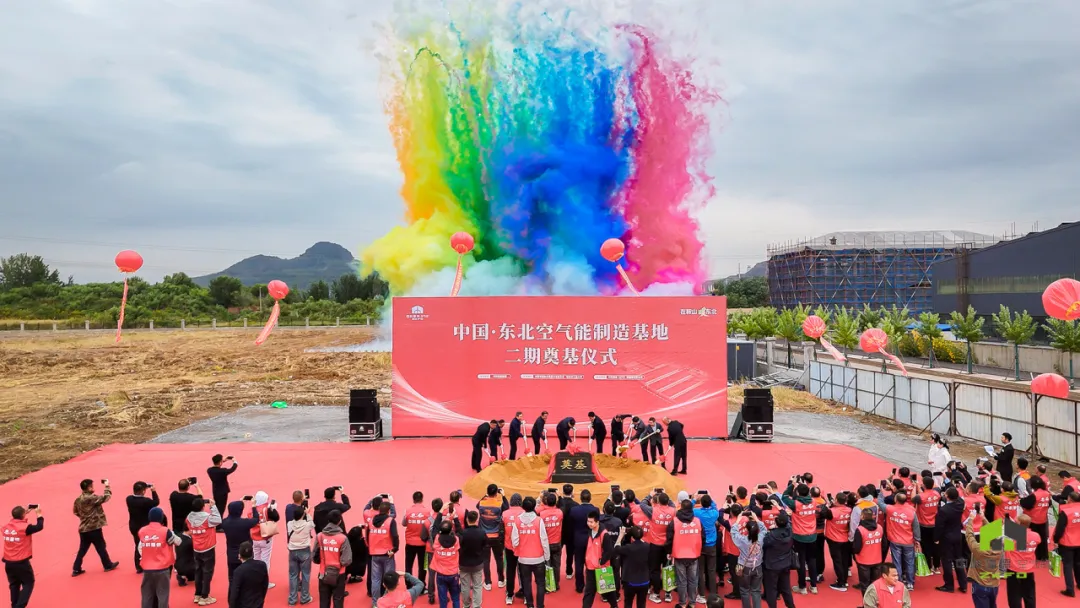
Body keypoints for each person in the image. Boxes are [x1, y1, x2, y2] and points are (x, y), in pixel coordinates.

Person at [135, 506, 182, 608]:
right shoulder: (165, 531)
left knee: (147, 596)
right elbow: (178, 542)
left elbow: (140, 547)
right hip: (162, 568)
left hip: (147, 569)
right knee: (163, 596)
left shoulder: (142, 531)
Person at [72, 478, 120, 576]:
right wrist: (107, 486)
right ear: (88, 488)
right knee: (101, 546)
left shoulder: (78, 499)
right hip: (93, 528)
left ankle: (76, 568)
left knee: (82, 549)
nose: (93, 488)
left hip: (83, 528)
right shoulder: (91, 498)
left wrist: (84, 517)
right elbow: (106, 497)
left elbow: (75, 511)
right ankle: (107, 565)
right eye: (91, 486)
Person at [512, 496, 550, 608]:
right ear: (534, 506)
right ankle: (540, 605)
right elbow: (544, 539)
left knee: (526, 582)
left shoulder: (517, 521)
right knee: (540, 583)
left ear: (523, 507)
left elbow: (515, 541)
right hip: (538, 558)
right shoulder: (539, 521)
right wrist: (547, 556)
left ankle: (530, 605)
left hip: (523, 559)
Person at [780, 481, 817, 595]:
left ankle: (802, 587)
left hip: (799, 536)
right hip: (812, 536)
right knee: (811, 560)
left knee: (800, 561)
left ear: (798, 493)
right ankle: (814, 586)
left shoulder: (795, 504)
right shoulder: (814, 502)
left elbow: (784, 496)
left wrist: (792, 484)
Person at [3, 505, 43, 608]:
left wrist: (23, 514)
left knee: (14, 585)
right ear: (23, 515)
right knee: (29, 583)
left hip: (8, 562)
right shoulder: (25, 528)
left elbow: (15, 523)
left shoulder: (5, 527)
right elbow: (39, 526)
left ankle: (14, 605)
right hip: (21, 562)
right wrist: (39, 514)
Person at [667, 498, 703, 608]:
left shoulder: (674, 522)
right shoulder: (697, 521)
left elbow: (669, 539)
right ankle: (692, 603)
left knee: (681, 581)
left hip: (679, 556)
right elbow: (703, 537)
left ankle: (682, 603)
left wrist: (668, 552)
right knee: (693, 580)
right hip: (694, 555)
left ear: (681, 508)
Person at [879, 492, 919, 590]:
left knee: (897, 563)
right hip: (909, 542)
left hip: (895, 541)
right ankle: (910, 583)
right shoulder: (912, 511)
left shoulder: (890, 509)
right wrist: (917, 539)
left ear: (896, 500)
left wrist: (880, 492)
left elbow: (880, 503)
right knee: (910, 563)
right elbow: (916, 527)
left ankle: (899, 582)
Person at [187, 497, 223, 606]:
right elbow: (218, 520)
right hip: (208, 548)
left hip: (196, 548)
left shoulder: (188, 518)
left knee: (198, 571)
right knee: (207, 573)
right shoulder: (207, 518)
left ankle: (197, 595)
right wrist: (213, 507)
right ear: (203, 506)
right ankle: (205, 596)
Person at [313, 510, 352, 608]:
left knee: (324, 601)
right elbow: (346, 560)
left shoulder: (319, 536)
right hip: (339, 574)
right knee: (338, 600)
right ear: (339, 521)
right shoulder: (342, 538)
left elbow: (314, 557)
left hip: (323, 573)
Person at [582, 512, 621, 608]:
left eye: (591, 522)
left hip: (602, 569)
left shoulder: (605, 535)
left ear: (597, 522)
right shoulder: (589, 532)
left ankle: (614, 606)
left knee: (608, 592)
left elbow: (609, 551)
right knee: (589, 593)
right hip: (590, 568)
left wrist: (601, 562)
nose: (589, 523)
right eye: (588, 521)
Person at [963, 505, 999, 605]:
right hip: (994, 584)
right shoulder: (999, 549)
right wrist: (983, 518)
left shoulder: (978, 549)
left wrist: (970, 519)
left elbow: (969, 535)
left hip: (980, 585)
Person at [934, 486, 967, 594]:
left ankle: (949, 585)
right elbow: (960, 498)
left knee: (947, 561)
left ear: (947, 496)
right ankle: (963, 584)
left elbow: (939, 526)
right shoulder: (960, 504)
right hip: (957, 535)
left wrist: (936, 538)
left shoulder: (943, 510)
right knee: (958, 559)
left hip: (946, 538)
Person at [170, 478, 202, 586]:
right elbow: (200, 498)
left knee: (178, 545)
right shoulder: (191, 498)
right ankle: (191, 567)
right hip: (187, 525)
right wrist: (196, 486)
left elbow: (177, 491)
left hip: (176, 524)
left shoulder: (173, 495)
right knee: (190, 547)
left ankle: (179, 566)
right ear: (188, 487)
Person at [729, 510, 764, 608]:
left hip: (744, 567)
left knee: (744, 590)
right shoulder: (761, 538)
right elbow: (764, 529)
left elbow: (734, 532)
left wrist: (738, 520)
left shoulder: (742, 540)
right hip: (757, 566)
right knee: (756, 590)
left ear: (747, 530)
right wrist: (756, 518)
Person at [477, 485, 508, 590]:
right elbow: (507, 508)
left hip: (484, 537)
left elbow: (477, 505)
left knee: (486, 560)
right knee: (499, 559)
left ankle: (488, 582)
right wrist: (503, 496)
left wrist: (484, 496)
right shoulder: (499, 504)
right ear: (496, 493)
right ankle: (501, 580)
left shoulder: (481, 503)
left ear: (487, 493)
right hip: (496, 537)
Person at [369, 501, 401, 604]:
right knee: (389, 580)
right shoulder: (390, 521)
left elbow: (367, 535)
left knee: (375, 580)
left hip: (374, 554)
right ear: (388, 511)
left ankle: (375, 604)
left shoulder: (371, 521)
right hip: (388, 554)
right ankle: (388, 602)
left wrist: (371, 548)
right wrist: (395, 549)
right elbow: (395, 536)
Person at [760, 510, 794, 608]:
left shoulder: (771, 535)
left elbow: (764, 544)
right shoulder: (790, 531)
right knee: (786, 589)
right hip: (785, 563)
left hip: (772, 566)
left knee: (771, 590)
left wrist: (771, 530)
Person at [570, 490, 601, 594]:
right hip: (591, 540)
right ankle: (591, 586)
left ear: (581, 498)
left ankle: (579, 587)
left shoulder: (574, 510)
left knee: (578, 563)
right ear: (590, 498)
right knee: (592, 562)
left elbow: (571, 525)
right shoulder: (595, 509)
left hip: (578, 540)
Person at [221, 498, 259, 582]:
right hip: (245, 553)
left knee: (232, 578)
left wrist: (240, 501)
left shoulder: (225, 522)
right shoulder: (244, 523)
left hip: (231, 555)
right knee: (247, 579)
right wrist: (253, 506)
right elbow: (256, 519)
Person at [613, 524, 650, 608]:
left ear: (631, 537)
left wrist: (620, 535)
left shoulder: (628, 548)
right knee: (642, 603)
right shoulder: (648, 547)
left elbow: (616, 548)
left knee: (628, 603)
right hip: (644, 581)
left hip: (630, 582)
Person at [127, 481, 160, 573]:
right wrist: (153, 491)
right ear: (142, 491)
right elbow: (156, 502)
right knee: (148, 545)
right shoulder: (145, 501)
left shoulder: (129, 499)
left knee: (137, 545)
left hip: (133, 526)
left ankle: (138, 566)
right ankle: (150, 562)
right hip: (144, 527)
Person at [1006, 513, 1038, 606]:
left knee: (1014, 596)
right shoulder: (1036, 536)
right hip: (1029, 570)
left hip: (1014, 570)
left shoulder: (1012, 538)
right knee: (1029, 596)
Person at [457, 509, 488, 608]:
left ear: (467, 519)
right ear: (477, 519)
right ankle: (476, 606)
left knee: (465, 586)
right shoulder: (482, 533)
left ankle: (466, 605)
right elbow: (485, 545)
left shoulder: (463, 533)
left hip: (464, 564)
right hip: (477, 563)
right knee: (477, 586)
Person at [287, 502, 315, 606]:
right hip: (304, 551)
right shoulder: (308, 525)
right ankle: (305, 597)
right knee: (306, 574)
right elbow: (312, 523)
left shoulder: (289, 524)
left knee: (293, 575)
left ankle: (292, 599)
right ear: (303, 515)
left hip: (293, 551)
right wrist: (308, 513)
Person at [911, 477, 941, 576]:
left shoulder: (920, 497)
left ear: (924, 485)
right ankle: (936, 567)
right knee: (935, 545)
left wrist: (915, 487)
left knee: (926, 546)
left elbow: (913, 498)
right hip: (935, 524)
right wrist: (919, 486)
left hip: (923, 525)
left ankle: (928, 565)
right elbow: (924, 495)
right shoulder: (937, 494)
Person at [250, 492, 280, 588]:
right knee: (265, 561)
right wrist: (273, 508)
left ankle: (255, 579)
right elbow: (276, 517)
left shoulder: (251, 510)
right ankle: (264, 582)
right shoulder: (267, 509)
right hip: (265, 538)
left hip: (254, 538)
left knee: (256, 559)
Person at [431, 516, 462, 608]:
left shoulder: (436, 538)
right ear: (451, 529)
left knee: (443, 599)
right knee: (456, 598)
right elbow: (460, 532)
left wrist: (440, 512)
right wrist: (456, 518)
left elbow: (434, 529)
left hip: (440, 575)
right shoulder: (456, 540)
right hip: (453, 574)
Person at [693, 494, 720, 600]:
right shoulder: (715, 513)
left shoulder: (697, 513)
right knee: (712, 570)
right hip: (712, 545)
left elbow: (688, 508)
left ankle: (702, 594)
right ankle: (713, 594)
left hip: (701, 545)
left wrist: (694, 499)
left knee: (700, 571)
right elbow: (715, 506)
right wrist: (710, 496)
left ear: (701, 503)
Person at [1019, 476, 1052, 561]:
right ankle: (1044, 556)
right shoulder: (1047, 493)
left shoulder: (1035, 495)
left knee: (1032, 538)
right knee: (1042, 538)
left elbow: (1026, 504)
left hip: (1033, 520)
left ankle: (1034, 555)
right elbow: (1049, 504)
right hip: (1043, 519)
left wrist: (1021, 500)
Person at [1055, 489, 1080, 597]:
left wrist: (1056, 540)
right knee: (1078, 563)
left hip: (1067, 542)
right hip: (1079, 541)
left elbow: (1060, 529)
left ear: (1069, 499)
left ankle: (1070, 589)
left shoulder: (1065, 511)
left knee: (1068, 565)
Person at [402, 491, 431, 585]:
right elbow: (430, 525)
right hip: (423, 544)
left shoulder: (407, 510)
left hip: (410, 543)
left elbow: (404, 523)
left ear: (413, 499)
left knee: (408, 565)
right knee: (423, 566)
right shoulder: (427, 512)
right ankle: (421, 586)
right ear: (422, 499)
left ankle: (409, 586)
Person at [538, 493, 565, 592]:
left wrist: (540, 500)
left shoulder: (541, 514)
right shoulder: (560, 513)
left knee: (546, 565)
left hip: (546, 545)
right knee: (556, 565)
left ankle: (548, 585)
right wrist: (560, 497)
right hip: (557, 544)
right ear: (556, 502)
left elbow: (535, 510)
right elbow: (563, 506)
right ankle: (556, 584)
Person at [230, 541, 269, 608]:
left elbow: (234, 593)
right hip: (258, 603)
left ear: (239, 555)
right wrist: (261, 599)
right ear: (252, 553)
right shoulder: (262, 565)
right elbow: (265, 584)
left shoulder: (238, 571)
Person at [851, 508, 882, 592]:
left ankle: (867, 604)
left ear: (862, 517)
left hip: (863, 561)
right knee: (875, 584)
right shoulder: (879, 527)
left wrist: (854, 553)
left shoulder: (860, 530)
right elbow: (884, 544)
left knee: (864, 585)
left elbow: (857, 547)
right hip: (877, 560)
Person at [502, 494, 526, 603]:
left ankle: (509, 595)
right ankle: (525, 594)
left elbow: (502, 531)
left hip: (509, 547)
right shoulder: (525, 513)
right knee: (523, 571)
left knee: (510, 571)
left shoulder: (505, 514)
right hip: (522, 548)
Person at [558, 485, 579, 582]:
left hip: (560, 533)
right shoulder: (576, 505)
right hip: (571, 533)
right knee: (570, 554)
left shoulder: (558, 503)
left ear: (563, 492)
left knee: (557, 554)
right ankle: (569, 572)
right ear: (572, 492)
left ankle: (555, 572)